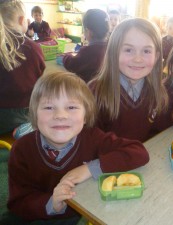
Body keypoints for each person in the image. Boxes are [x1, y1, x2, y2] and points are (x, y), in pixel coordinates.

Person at [1, 71, 149, 225]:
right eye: (49, 107)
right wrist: (51, 203)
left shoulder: (93, 137)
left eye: (71, 107)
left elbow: (138, 152)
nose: (60, 115)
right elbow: (18, 202)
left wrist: (89, 169)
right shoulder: (22, 149)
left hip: (78, 214)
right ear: (34, 114)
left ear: (85, 116)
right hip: (37, 213)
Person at [89, 18, 169, 142]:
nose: (138, 59)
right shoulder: (96, 92)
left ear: (156, 56)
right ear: (114, 53)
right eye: (128, 50)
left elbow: (157, 132)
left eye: (146, 51)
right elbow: (89, 138)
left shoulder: (158, 92)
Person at [0, 0, 45, 136]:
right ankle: (26, 128)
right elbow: (40, 77)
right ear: (21, 20)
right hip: (23, 112)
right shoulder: (32, 48)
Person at [63, 9, 109, 83]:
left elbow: (72, 65)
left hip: (88, 89)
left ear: (88, 32)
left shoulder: (87, 51)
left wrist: (66, 56)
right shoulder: (110, 47)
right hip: (104, 88)